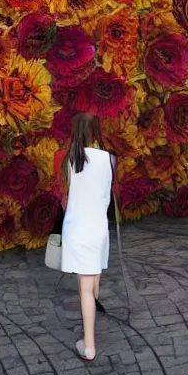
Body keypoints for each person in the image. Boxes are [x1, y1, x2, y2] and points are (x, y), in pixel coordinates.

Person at [53, 113, 114, 361]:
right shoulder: (110, 159)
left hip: (78, 228)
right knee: (94, 272)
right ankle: (94, 308)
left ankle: (88, 345)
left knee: (84, 288)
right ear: (96, 130)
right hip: (99, 226)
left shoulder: (68, 159)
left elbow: (61, 191)